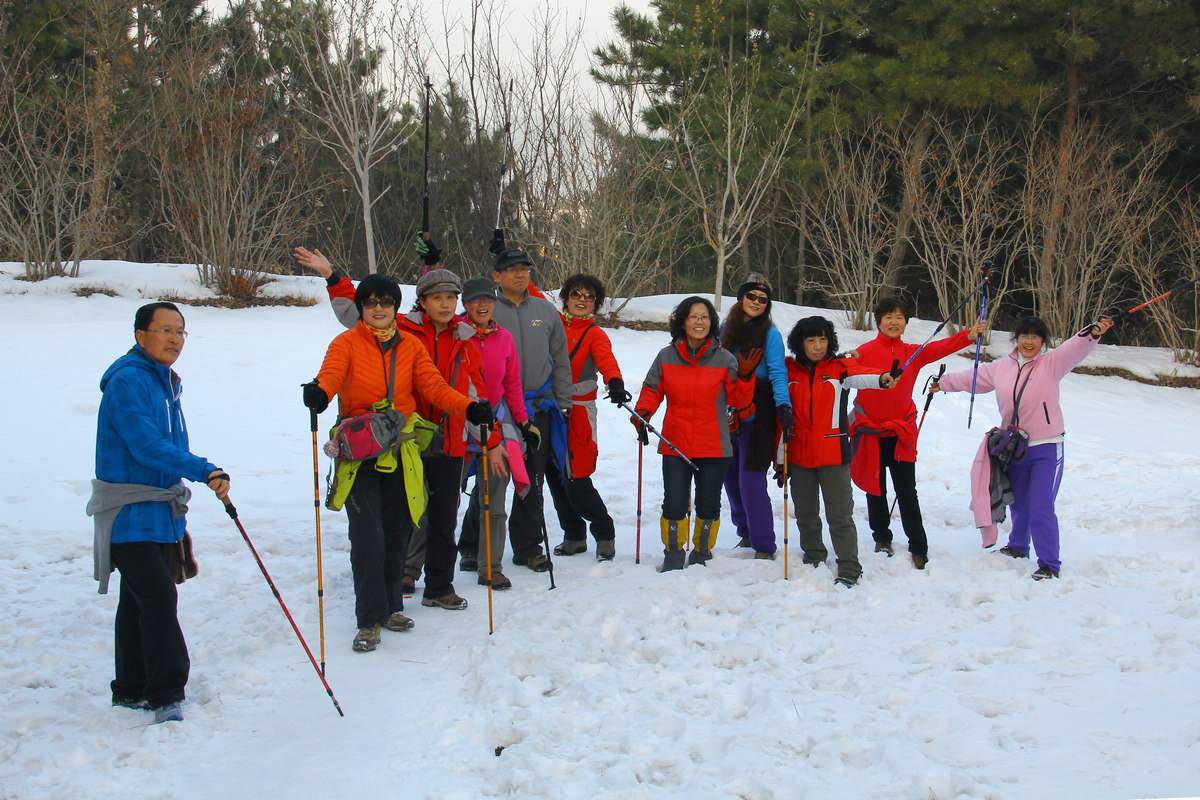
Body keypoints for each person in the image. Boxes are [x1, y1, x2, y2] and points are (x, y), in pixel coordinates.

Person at [302, 275, 494, 652]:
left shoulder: (409, 347)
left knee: (397, 532)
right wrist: (320, 393)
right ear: (361, 307)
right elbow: (332, 375)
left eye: (386, 302)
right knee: (367, 536)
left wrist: (468, 407)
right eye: (371, 302)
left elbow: (434, 386)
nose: (378, 308)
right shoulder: (345, 343)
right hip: (360, 454)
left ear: (395, 306)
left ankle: (390, 607)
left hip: (403, 451)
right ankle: (369, 618)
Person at [87, 301, 230, 725]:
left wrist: (193, 473)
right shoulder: (129, 381)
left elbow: (170, 446)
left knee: (138, 599)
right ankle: (166, 693)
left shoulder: (165, 381)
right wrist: (204, 469)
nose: (174, 339)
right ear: (140, 336)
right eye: (165, 330)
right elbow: (145, 447)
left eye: (180, 332)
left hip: (157, 510)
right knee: (158, 596)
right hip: (128, 510)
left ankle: (131, 687)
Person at [932, 315, 1114, 580]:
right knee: (1017, 501)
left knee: (1041, 506)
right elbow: (972, 378)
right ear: (1016, 339)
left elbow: (1076, 347)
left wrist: (1093, 332)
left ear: (1043, 341)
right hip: (1015, 445)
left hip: (1047, 446)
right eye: (1025, 336)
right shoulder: (1000, 368)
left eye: (1036, 337)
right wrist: (943, 383)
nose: (1029, 341)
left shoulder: (1053, 363)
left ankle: (1050, 563)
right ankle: (1018, 546)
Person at [851, 295, 986, 569]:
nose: (894, 322)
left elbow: (940, 347)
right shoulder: (862, 352)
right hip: (870, 433)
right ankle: (882, 538)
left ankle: (918, 546)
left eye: (899, 317)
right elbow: (841, 372)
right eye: (888, 317)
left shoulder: (913, 352)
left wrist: (968, 336)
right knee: (875, 490)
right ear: (878, 321)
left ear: (905, 323)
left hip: (901, 433)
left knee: (907, 491)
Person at [632, 296, 752, 571]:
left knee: (708, 503)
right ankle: (674, 552)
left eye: (705, 317)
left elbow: (741, 402)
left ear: (712, 323)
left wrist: (743, 378)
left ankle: (702, 551)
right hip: (675, 441)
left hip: (714, 444)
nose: (700, 322)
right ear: (682, 321)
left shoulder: (725, 359)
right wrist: (643, 413)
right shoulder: (666, 356)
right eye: (694, 317)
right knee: (674, 502)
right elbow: (652, 389)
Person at [776, 317, 896, 586]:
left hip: (833, 455)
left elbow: (862, 374)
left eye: (823, 339)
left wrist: (883, 378)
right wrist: (780, 460)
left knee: (839, 514)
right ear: (800, 343)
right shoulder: (789, 370)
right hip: (799, 456)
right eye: (811, 340)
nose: (818, 346)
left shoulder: (840, 368)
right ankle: (814, 554)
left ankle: (849, 565)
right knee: (805, 513)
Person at [394, 268, 486, 608]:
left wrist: (483, 421)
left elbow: (475, 384)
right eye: (437, 298)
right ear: (422, 301)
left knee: (445, 515)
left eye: (451, 297)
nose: (446, 304)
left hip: (451, 438)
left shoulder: (465, 337)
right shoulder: (401, 332)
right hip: (409, 438)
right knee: (406, 513)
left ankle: (439, 586)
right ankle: (397, 580)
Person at [489, 248, 573, 573]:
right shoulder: (486, 309)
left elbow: (561, 360)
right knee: (492, 479)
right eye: (511, 269)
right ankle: (473, 546)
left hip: (537, 409)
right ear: (497, 275)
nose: (520, 274)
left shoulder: (545, 311)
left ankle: (528, 547)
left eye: (524, 268)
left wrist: (564, 403)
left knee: (532, 480)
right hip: (496, 409)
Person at [456, 276, 532, 590]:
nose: (483, 304)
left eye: (488, 298)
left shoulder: (504, 338)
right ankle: (412, 566)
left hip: (496, 424)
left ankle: (491, 566)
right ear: (465, 304)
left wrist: (524, 422)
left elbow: (512, 384)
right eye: (475, 299)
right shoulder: (454, 334)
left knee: (495, 498)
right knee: (440, 499)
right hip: (457, 420)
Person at [548, 273, 630, 561]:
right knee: (555, 477)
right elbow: (529, 295)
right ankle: (573, 535)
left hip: (578, 413)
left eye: (589, 296)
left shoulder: (595, 334)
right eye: (576, 294)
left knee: (576, 476)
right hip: (548, 410)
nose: (582, 300)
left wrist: (615, 382)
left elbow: (607, 361)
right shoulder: (552, 322)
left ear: (596, 303)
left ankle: (604, 531)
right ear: (565, 298)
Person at [719, 272, 791, 560]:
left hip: (758, 409)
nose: (757, 302)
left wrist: (783, 404)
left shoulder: (770, 334)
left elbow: (777, 371)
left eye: (763, 299)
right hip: (726, 406)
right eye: (752, 296)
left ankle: (763, 543)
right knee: (730, 475)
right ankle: (745, 532)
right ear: (740, 298)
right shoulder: (724, 328)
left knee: (751, 479)